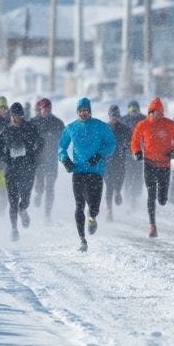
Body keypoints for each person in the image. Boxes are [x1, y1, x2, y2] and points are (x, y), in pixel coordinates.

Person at [58, 97, 116, 252]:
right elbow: (61, 147)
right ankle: (82, 239)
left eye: (86, 110)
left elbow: (111, 143)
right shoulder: (71, 128)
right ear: (77, 112)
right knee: (79, 205)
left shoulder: (101, 126)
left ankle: (92, 217)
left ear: (90, 111)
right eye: (81, 111)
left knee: (94, 206)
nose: (83, 113)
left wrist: (100, 155)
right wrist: (65, 160)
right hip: (78, 172)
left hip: (96, 172)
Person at [129, 97, 174, 238]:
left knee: (162, 199)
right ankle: (152, 226)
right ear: (149, 112)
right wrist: (137, 152)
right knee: (151, 196)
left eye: (159, 112)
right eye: (153, 112)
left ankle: (163, 198)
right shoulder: (143, 125)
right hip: (149, 163)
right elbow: (135, 140)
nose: (156, 115)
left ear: (162, 113)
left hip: (164, 164)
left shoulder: (169, 125)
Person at [0, 103, 43, 241]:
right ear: (10, 116)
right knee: (13, 201)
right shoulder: (6, 131)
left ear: (22, 116)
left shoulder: (29, 128)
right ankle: (14, 229)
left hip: (27, 168)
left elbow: (41, 142)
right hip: (11, 169)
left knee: (25, 199)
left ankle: (23, 209)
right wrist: (5, 158)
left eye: (18, 115)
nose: (16, 118)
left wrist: (33, 155)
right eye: (13, 115)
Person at [29, 98, 65, 219]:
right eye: (44, 109)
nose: (47, 111)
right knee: (39, 185)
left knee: (50, 187)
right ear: (40, 109)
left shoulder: (57, 123)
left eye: (49, 109)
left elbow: (65, 139)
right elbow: (26, 138)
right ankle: (38, 193)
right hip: (38, 160)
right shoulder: (33, 123)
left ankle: (47, 215)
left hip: (51, 160)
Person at [104, 104, 132, 222]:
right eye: (112, 116)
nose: (114, 118)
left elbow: (131, 143)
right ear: (109, 116)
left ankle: (118, 192)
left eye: (116, 116)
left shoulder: (125, 129)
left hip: (120, 160)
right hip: (107, 162)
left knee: (119, 180)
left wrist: (131, 150)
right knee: (109, 186)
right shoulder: (103, 129)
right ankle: (109, 211)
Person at [120, 100, 147, 205]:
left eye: (135, 109)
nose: (134, 112)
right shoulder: (123, 120)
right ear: (128, 109)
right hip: (127, 153)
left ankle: (136, 196)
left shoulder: (144, 119)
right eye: (132, 109)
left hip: (139, 153)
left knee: (138, 175)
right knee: (128, 175)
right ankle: (128, 195)